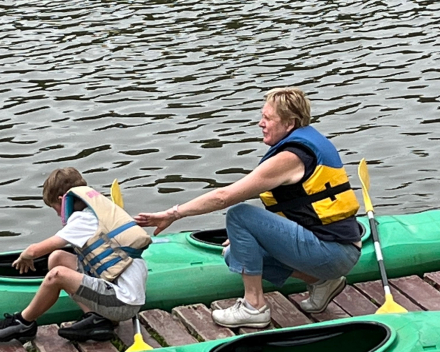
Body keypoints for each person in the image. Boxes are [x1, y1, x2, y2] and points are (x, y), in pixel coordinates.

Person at [135, 87, 362, 329]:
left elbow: (223, 197)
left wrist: (173, 214)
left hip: (334, 251)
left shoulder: (291, 157)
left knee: (239, 214)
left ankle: (254, 307)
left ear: (290, 124)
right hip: (332, 248)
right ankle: (321, 281)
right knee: (234, 254)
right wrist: (247, 241)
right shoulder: (306, 144)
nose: (260, 123)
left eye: (268, 118)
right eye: (262, 116)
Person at [0, 167, 152, 343]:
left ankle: (23, 323)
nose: (58, 214)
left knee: (57, 275)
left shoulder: (83, 219)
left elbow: (36, 250)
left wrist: (26, 255)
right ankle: (96, 319)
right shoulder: (98, 212)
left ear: (61, 201)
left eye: (56, 208)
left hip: (122, 303)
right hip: (116, 292)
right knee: (57, 258)